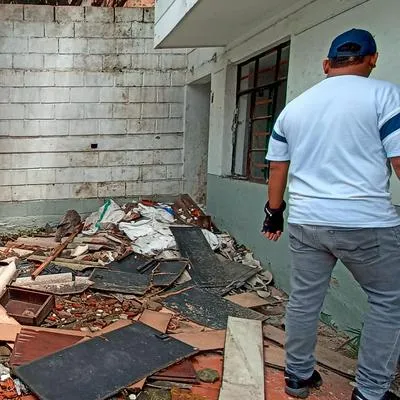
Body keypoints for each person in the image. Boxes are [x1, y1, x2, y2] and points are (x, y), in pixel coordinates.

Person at [262, 28, 400, 400]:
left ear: (327, 64)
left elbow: (277, 168)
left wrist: (274, 214)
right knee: (389, 300)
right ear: (372, 59)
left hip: (307, 222)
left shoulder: (295, 107)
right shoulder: (387, 96)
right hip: (367, 223)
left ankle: (297, 376)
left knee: (305, 300)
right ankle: (370, 392)